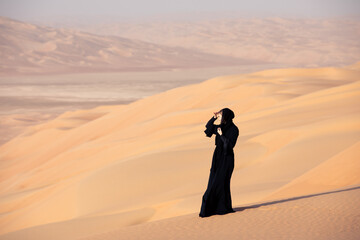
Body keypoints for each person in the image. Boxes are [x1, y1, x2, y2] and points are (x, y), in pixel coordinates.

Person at [199, 107, 239, 218]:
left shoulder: (234, 129)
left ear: (226, 116)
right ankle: (212, 209)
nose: (219, 117)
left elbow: (230, 145)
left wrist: (221, 135)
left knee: (221, 183)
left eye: (221, 115)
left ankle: (223, 208)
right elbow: (208, 129)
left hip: (227, 158)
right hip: (217, 157)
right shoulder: (220, 127)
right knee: (212, 181)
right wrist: (213, 118)